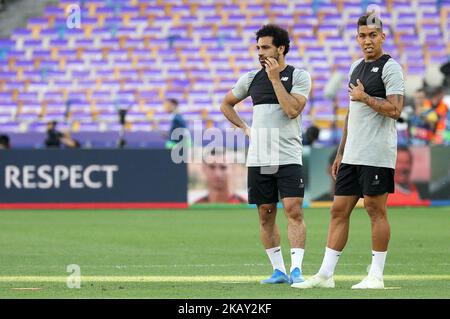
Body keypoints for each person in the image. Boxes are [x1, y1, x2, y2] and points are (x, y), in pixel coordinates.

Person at [292, 13, 404, 290]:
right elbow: (351, 114)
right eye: (362, 35)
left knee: (376, 210)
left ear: (382, 37)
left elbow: (395, 110)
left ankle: (376, 276)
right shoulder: (355, 66)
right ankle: (325, 275)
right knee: (338, 210)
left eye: (373, 35)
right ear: (357, 38)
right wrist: (341, 152)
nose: (367, 40)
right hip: (352, 153)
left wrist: (365, 97)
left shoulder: (391, 68)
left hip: (376, 153)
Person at [220, 24, 311, 284]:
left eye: (265, 47)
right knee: (265, 213)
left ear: (281, 48)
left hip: (288, 156)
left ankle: (297, 270)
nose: (260, 52)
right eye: (258, 47)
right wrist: (244, 128)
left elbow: (293, 110)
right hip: (260, 157)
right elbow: (226, 104)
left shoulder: (299, 76)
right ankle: (279, 271)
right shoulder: (250, 78)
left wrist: (274, 79)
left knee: (293, 210)